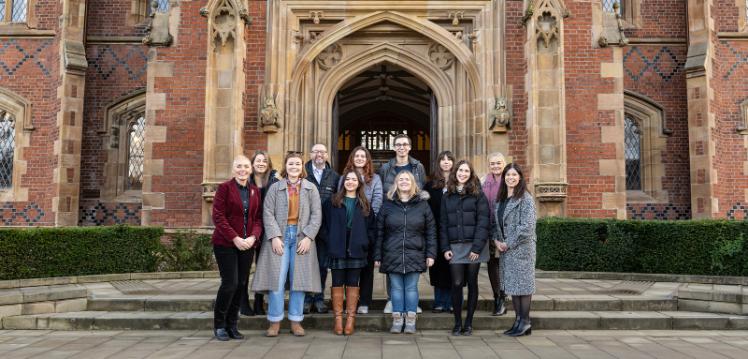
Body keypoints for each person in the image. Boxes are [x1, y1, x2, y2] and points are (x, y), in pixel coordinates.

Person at [251, 151, 322, 337]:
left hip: (301, 238)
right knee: (277, 280)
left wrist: (308, 236)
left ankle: (296, 321)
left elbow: (317, 215)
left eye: (297, 164)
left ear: (302, 167)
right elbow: (267, 212)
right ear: (285, 166)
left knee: (298, 281)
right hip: (280, 237)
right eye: (291, 164)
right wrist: (274, 236)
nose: (294, 167)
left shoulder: (310, 188)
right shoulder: (275, 187)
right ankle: (275, 321)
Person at [374, 171, 436, 334]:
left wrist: (430, 254)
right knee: (395, 288)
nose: (404, 182)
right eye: (400, 179)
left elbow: (431, 231)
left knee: (410, 288)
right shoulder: (388, 204)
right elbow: (379, 231)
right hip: (392, 252)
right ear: (396, 183)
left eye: (407, 179)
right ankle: (397, 319)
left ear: (413, 183)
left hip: (415, 253)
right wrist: (377, 255)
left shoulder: (422, 205)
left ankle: (410, 320)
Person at [211, 155, 263, 341]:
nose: (242, 169)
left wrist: (253, 237)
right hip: (225, 243)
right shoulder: (224, 188)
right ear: (234, 170)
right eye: (239, 166)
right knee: (230, 283)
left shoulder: (255, 191)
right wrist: (234, 238)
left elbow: (258, 219)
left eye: (246, 166)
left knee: (241, 284)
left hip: (247, 244)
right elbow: (218, 216)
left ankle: (233, 325)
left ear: (251, 169)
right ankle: (219, 325)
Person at [377, 134, 427, 313]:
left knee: (412, 259)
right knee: (393, 260)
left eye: (405, 144)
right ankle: (392, 299)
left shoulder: (418, 166)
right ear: (394, 147)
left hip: (412, 215)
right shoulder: (386, 168)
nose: (401, 147)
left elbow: (421, 190)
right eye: (398, 145)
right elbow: (383, 192)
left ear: (410, 147)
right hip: (393, 214)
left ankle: (412, 301)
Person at [440, 160, 490, 336]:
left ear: (471, 174)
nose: (463, 173)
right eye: (460, 170)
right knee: (456, 283)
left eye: (466, 171)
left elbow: (483, 222)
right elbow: (443, 224)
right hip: (455, 246)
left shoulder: (478, 194)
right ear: (455, 173)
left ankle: (468, 323)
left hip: (475, 246)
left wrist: (476, 248)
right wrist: (445, 247)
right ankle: (457, 322)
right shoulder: (447, 196)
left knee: (472, 282)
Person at [323, 170, 375, 335]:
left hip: (356, 251)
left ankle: (350, 319)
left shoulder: (365, 204)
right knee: (337, 283)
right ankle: (338, 319)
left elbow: (372, 229)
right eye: (348, 179)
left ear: (359, 183)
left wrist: (365, 242)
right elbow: (323, 225)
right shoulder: (332, 202)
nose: (351, 182)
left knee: (353, 283)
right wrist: (330, 240)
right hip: (337, 249)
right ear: (343, 182)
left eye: (354, 179)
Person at [338, 146, 383, 315]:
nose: (359, 158)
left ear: (367, 159)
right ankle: (349, 302)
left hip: (367, 225)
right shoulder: (344, 178)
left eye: (362, 156)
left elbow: (378, 200)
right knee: (348, 268)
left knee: (366, 268)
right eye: (356, 155)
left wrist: (367, 218)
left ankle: (364, 301)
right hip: (348, 229)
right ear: (352, 158)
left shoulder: (375, 179)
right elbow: (340, 198)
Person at [494, 163, 537, 337]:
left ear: (520, 177)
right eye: (508, 175)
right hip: (506, 250)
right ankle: (518, 321)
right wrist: (496, 240)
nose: (510, 178)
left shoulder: (525, 198)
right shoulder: (502, 199)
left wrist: (508, 243)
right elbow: (497, 224)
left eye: (514, 175)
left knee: (523, 288)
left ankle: (525, 322)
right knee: (514, 287)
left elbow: (527, 227)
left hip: (522, 250)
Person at [240, 150, 280, 317]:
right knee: (245, 268)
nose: (261, 163)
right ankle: (243, 303)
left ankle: (258, 302)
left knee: (264, 268)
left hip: (268, 229)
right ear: (252, 163)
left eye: (264, 161)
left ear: (269, 164)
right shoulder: (245, 181)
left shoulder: (274, 180)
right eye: (258, 160)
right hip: (248, 230)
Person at [304, 143, 340, 314]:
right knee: (304, 265)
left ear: (327, 155)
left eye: (322, 152)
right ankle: (305, 299)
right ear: (311, 154)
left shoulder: (334, 176)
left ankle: (318, 299)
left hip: (325, 229)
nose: (319, 154)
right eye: (316, 151)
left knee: (322, 265)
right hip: (304, 229)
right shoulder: (302, 173)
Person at [423, 151, 456, 314]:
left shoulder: (459, 182)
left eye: (449, 160)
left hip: (454, 231)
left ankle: (450, 302)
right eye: (443, 160)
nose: (446, 162)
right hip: (435, 230)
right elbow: (425, 207)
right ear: (438, 163)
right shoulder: (430, 184)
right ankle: (439, 301)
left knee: (452, 266)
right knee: (437, 267)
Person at [480, 152, 508, 316]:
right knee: (492, 264)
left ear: (504, 163)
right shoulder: (484, 181)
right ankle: (498, 298)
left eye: (498, 163)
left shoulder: (510, 179)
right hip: (488, 228)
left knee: (504, 265)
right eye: (492, 164)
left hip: (505, 230)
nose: (496, 166)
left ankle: (504, 297)